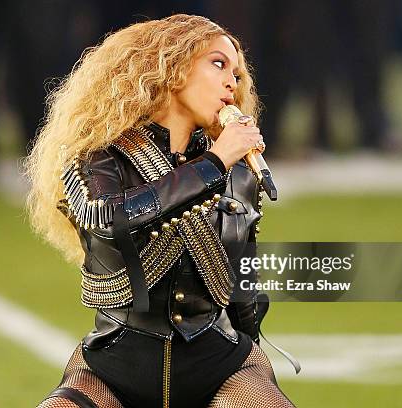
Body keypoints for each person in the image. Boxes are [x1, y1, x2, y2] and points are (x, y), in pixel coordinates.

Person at [27, 14, 295, 408]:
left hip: (219, 365)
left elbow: (241, 288)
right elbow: (107, 217)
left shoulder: (238, 172)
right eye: (218, 64)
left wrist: (255, 363)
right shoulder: (98, 154)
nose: (231, 83)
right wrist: (212, 165)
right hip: (115, 368)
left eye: (237, 74)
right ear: (172, 69)